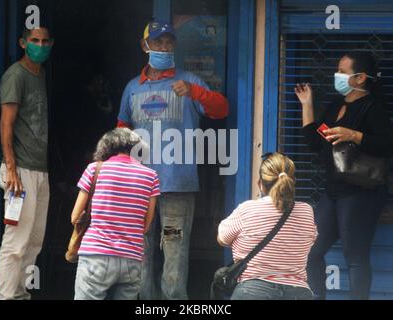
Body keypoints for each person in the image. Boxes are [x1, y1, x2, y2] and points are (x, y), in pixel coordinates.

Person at [117, 20, 229, 300]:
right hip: (138, 188)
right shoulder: (132, 88)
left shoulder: (189, 81)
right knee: (138, 250)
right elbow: (121, 130)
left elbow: (221, 110)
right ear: (145, 46)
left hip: (177, 184)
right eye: (158, 42)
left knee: (174, 251)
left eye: (169, 42)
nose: (164, 47)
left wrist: (196, 93)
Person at [295, 52, 393, 300]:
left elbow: (388, 146)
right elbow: (314, 141)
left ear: (360, 78)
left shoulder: (373, 108)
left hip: (361, 192)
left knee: (355, 257)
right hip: (334, 190)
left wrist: (355, 135)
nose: (336, 76)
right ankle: (317, 296)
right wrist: (307, 104)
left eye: (342, 71)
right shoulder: (335, 106)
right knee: (311, 250)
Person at [0, 27, 54, 300]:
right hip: (20, 172)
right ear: (22, 43)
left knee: (34, 242)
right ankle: (6, 297)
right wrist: (11, 169)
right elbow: (5, 125)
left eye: (44, 41)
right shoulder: (15, 75)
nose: (40, 45)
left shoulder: (40, 74)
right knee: (16, 242)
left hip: (39, 170)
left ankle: (20, 295)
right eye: (34, 40)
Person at [73, 128, 160, 300]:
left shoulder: (94, 170)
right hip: (132, 259)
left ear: (106, 147)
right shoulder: (151, 176)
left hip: (95, 256)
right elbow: (146, 225)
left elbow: (75, 217)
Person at [217, 153, 317, 300]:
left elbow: (222, 239)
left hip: (251, 293)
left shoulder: (247, 210)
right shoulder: (306, 211)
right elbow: (311, 241)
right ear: (292, 181)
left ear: (260, 184)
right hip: (299, 294)